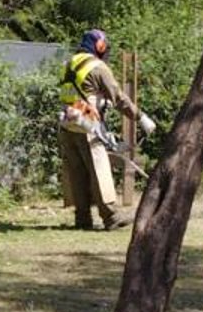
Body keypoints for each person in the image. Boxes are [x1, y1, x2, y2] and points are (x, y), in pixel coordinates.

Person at [57, 29, 156, 230]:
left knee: (77, 173)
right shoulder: (97, 67)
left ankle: (82, 218)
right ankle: (111, 217)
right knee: (98, 168)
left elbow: (79, 93)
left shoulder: (69, 63)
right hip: (87, 124)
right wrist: (140, 117)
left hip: (66, 123)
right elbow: (118, 98)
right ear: (99, 46)